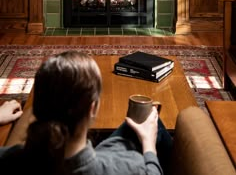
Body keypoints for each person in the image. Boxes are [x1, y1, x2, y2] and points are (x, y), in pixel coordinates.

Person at [0, 50, 173, 175]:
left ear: (37, 107)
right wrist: (149, 145)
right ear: (93, 108)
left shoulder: (8, 159)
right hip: (100, 160)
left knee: (138, 125)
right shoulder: (132, 167)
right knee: (151, 121)